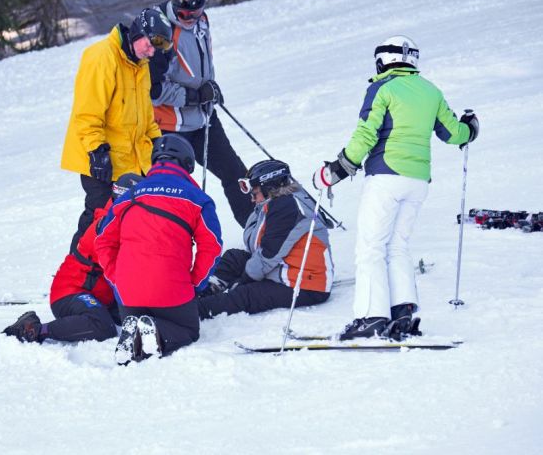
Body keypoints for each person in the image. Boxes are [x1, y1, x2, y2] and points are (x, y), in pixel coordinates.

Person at [312, 35, 479, 341]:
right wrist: (471, 127)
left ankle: (370, 317)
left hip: (386, 177)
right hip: (418, 182)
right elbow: (454, 134)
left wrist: (338, 169)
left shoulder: (382, 88)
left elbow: (365, 134)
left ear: (383, 61)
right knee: (397, 245)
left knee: (370, 247)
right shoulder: (431, 91)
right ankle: (401, 312)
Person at [95, 134, 223, 365]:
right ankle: (156, 331)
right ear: (188, 163)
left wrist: (116, 278)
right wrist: (195, 283)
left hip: (128, 293)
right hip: (171, 290)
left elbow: (103, 241)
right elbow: (211, 246)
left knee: (138, 311)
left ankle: (135, 331)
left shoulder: (129, 195)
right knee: (188, 330)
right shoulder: (198, 199)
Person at [61, 8, 173, 254]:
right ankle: (75, 272)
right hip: (98, 156)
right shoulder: (102, 57)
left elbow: (144, 115)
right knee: (99, 216)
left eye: (159, 48)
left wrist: (159, 144)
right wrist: (96, 151)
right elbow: (87, 112)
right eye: (151, 43)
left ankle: (112, 278)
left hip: (127, 159)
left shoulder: (139, 62)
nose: (152, 52)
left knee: (127, 221)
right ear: (137, 32)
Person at [148, 0, 253, 227]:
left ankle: (258, 232)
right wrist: (194, 96)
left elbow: (201, 65)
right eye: (184, 14)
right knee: (176, 193)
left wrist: (210, 87)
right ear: (174, 4)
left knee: (235, 173)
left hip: (204, 119)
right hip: (172, 129)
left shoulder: (202, 20)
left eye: (196, 12)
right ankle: (171, 249)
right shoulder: (160, 32)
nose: (191, 18)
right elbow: (155, 90)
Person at [2, 173, 144, 344]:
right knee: (102, 326)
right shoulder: (104, 228)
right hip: (71, 292)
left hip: (99, 296)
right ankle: (34, 330)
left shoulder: (120, 220)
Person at [198, 160, 333, 320]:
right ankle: (204, 290)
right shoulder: (273, 203)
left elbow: (268, 254)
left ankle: (194, 311)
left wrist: (244, 280)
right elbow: (256, 244)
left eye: (254, 193)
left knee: (245, 294)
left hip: (305, 284)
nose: (252, 199)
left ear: (270, 188)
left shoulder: (287, 207)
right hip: (283, 267)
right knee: (234, 257)